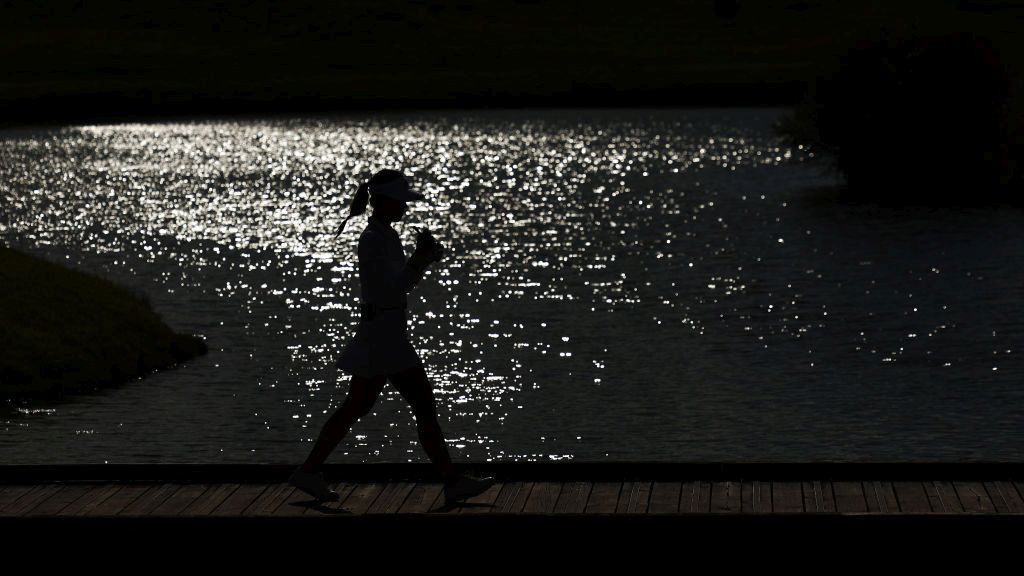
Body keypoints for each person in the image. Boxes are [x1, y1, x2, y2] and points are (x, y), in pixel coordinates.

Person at [288, 169, 494, 504]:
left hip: (382, 333)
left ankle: (308, 471)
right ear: (384, 202)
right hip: (384, 336)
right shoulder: (374, 240)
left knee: (358, 405)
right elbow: (390, 290)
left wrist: (422, 259)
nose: (404, 208)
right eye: (400, 202)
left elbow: (397, 281)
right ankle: (452, 481)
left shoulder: (383, 235)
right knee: (422, 402)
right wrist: (419, 260)